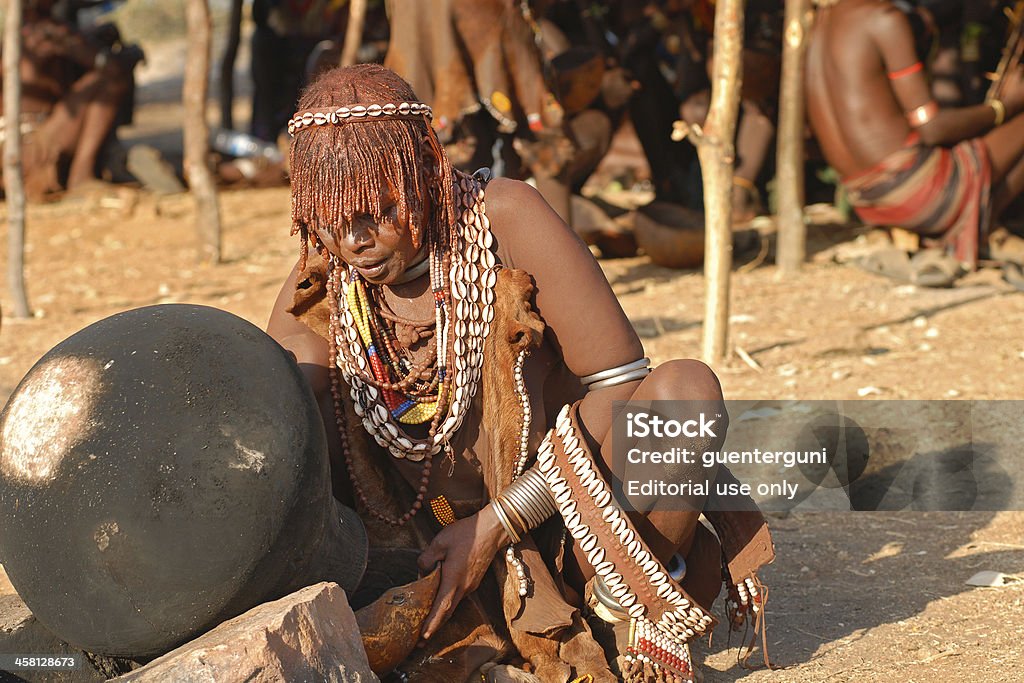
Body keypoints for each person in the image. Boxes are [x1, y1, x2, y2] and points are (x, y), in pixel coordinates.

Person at [267, 63, 775, 682]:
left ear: (423, 175)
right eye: (332, 217)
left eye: (379, 209)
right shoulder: (326, 277)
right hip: (431, 558)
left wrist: (499, 520)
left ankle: (622, 606)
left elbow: (620, 377)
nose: (355, 240)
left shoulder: (503, 216)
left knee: (685, 392)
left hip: (583, 532)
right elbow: (279, 406)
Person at [806, 0, 1024, 284]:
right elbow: (932, 129)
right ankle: (976, 232)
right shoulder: (883, 18)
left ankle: (977, 230)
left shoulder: (819, 23)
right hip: (918, 195)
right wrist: (1003, 107)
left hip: (866, 200)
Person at [0, 0, 141, 199]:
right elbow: (108, 66)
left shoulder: (17, 36)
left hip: (13, 149)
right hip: (32, 148)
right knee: (112, 80)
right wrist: (132, 54)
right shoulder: (47, 31)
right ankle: (82, 176)